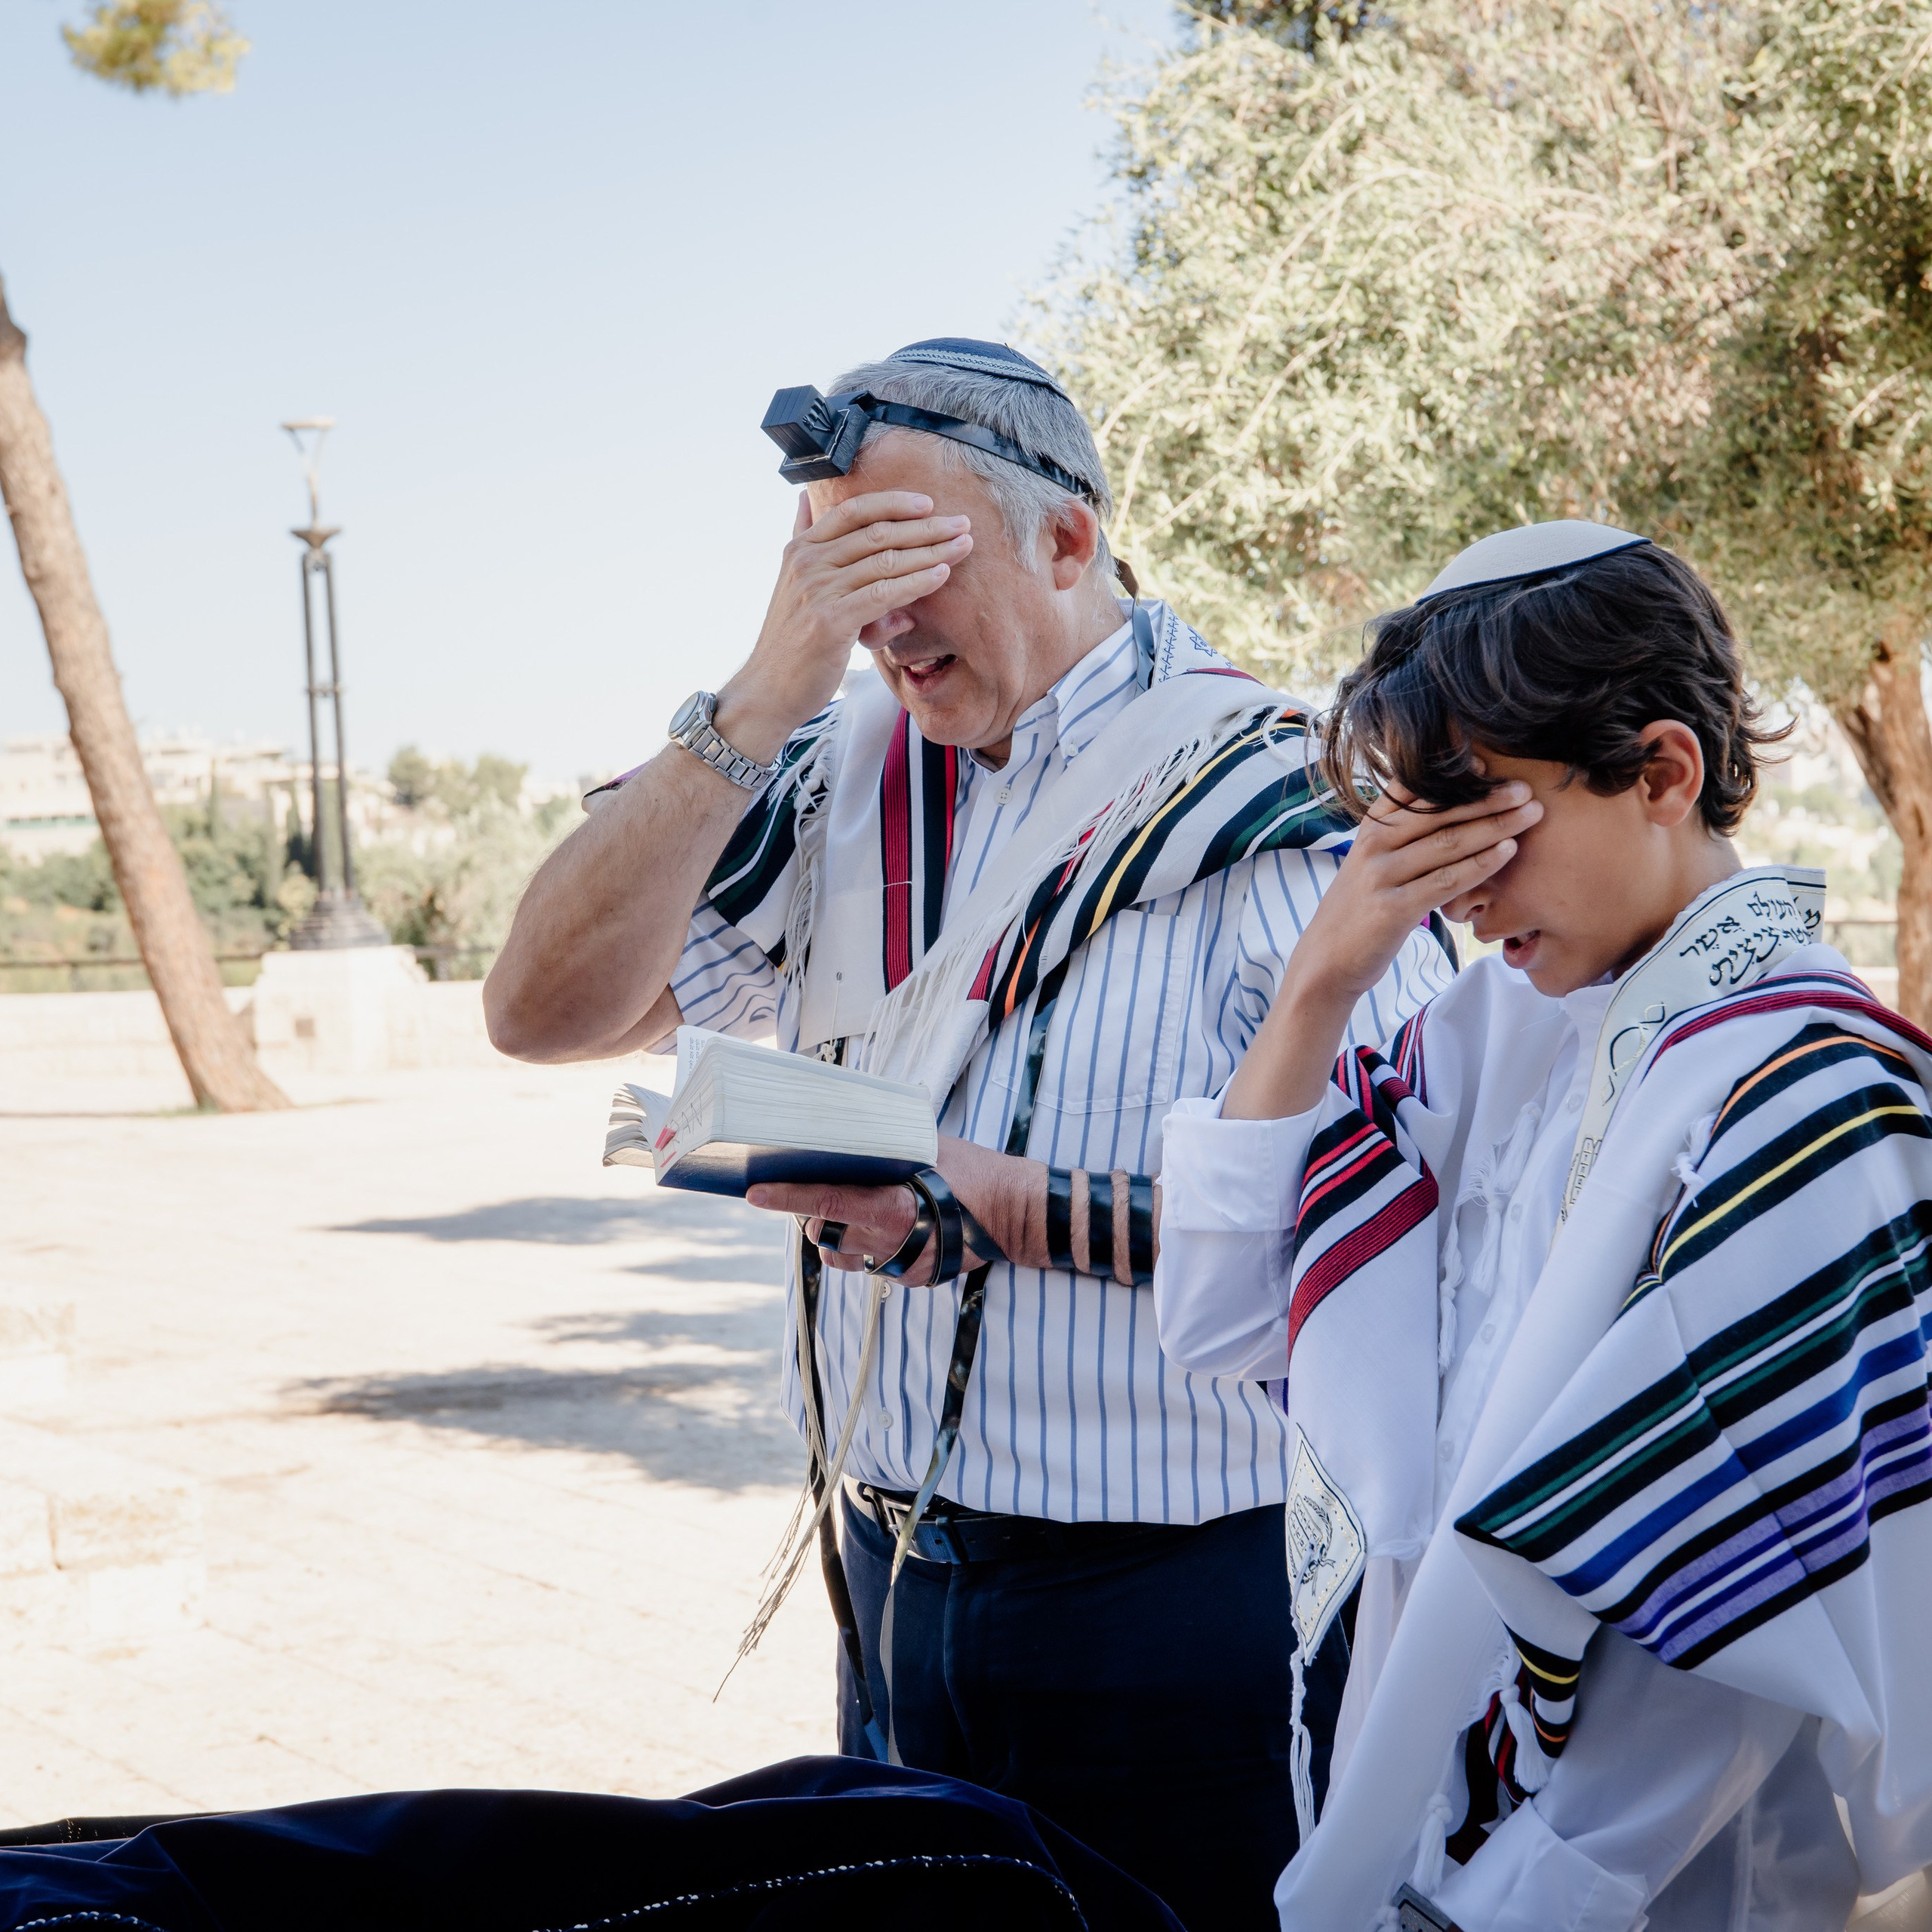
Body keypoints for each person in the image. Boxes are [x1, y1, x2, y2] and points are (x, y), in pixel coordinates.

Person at [483, 337, 1454, 1928]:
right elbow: (541, 1010)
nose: (872, 620)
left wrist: (996, 1201)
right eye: (832, 569)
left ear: (1066, 537)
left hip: (1180, 1599)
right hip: (892, 1572)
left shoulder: (1271, 794)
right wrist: (755, 696)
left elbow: (1386, 1219)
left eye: (903, 557)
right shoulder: (818, 777)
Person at [1153, 521, 1932, 1930]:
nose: (1459, 887)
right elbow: (1219, 1316)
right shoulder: (1490, 1041)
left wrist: (1498, 1907)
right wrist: (1322, 980)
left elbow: (1735, 1619)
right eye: (1422, 831)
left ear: (1661, 772)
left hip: (1647, 1890)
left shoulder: (1810, 1093)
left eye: (1490, 815)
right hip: (1421, 1818)